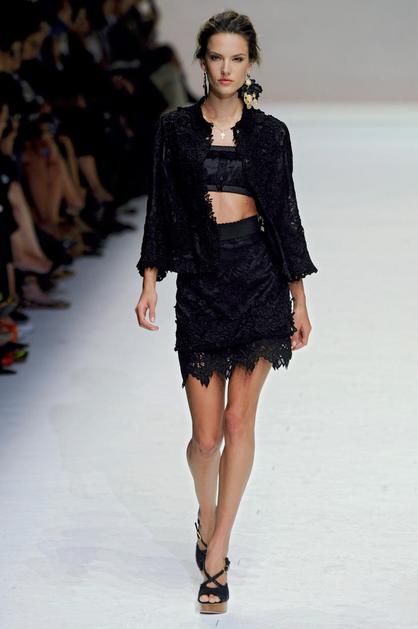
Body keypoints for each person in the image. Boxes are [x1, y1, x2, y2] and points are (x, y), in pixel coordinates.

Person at [134, 10, 318, 614]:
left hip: (259, 280)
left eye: (237, 58)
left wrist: (299, 298)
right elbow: (160, 209)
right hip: (203, 285)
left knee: (239, 422)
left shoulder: (271, 134)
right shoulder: (175, 130)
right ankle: (205, 512)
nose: (226, 68)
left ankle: (218, 553)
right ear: (202, 61)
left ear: (250, 63)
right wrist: (150, 280)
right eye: (217, 57)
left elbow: (285, 215)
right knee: (205, 437)